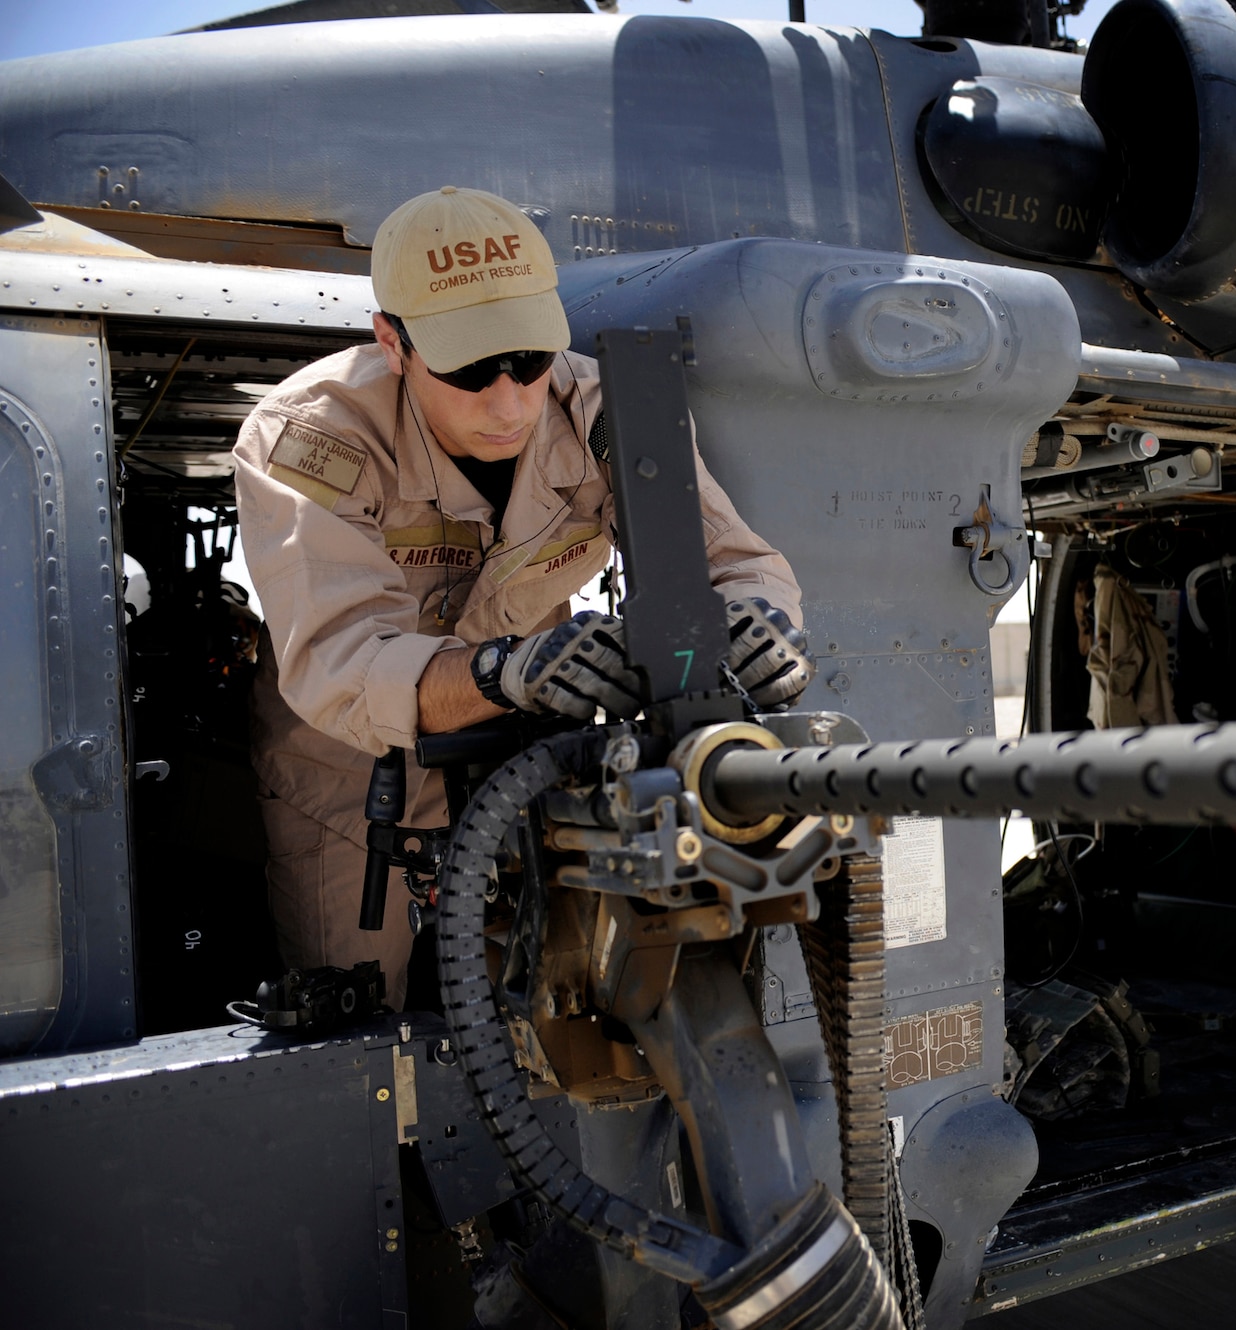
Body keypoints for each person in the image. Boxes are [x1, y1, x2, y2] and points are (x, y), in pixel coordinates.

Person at [234, 186, 811, 1009]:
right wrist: (508, 669)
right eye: (469, 368)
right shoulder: (312, 438)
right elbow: (342, 661)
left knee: (555, 1015)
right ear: (392, 343)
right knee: (358, 1027)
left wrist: (764, 627)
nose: (508, 404)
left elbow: (737, 564)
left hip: (522, 760)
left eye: (530, 360)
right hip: (350, 780)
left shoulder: (607, 409)